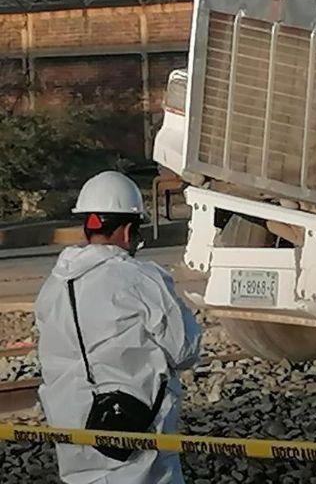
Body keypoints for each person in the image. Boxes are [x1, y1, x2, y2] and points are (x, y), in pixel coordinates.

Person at [35, 171, 202, 484]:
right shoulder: (140, 279)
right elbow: (185, 350)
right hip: (137, 443)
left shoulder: (53, 287)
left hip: (73, 437)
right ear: (127, 231)